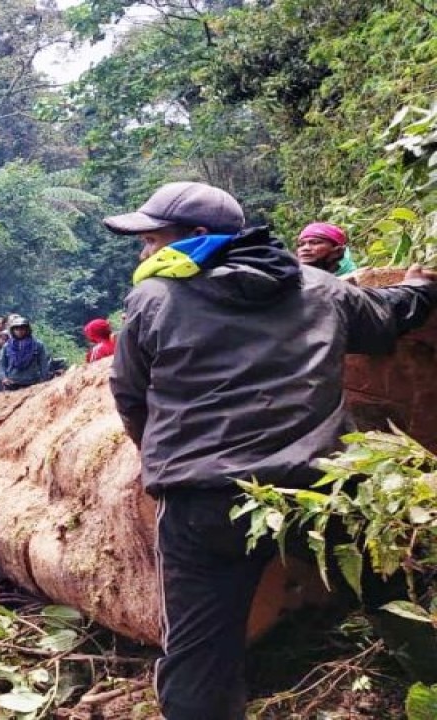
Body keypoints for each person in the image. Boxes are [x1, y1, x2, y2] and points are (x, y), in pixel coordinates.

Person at [103, 181, 437, 720]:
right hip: (323, 492)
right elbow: (387, 321)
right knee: (397, 599)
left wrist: (163, 458)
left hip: (203, 504)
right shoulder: (319, 289)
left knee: (199, 659)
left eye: (153, 240)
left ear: (197, 238)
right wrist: (420, 287)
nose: (145, 253)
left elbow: (130, 396)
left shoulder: (153, 299)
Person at [0, 316, 50, 390]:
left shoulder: (37, 345)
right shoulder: (7, 346)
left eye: (22, 328)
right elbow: (2, 364)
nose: (19, 331)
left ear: (27, 329)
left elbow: (43, 363)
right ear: (13, 330)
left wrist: (43, 379)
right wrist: (4, 378)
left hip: (32, 382)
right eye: (16, 329)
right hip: (12, 382)